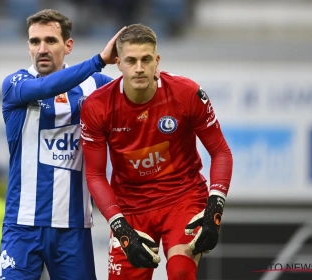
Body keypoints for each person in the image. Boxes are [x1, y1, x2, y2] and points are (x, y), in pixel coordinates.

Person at [80, 23, 233, 280]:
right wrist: (121, 229)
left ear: (157, 61)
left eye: (146, 59)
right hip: (130, 209)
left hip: (182, 198)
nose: (139, 68)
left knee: (181, 272)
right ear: (118, 63)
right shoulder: (97, 106)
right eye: (131, 60)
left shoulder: (187, 93)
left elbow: (220, 152)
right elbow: (95, 175)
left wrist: (214, 209)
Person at [0, 8, 124, 280]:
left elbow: (135, 96)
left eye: (51, 41)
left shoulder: (96, 85)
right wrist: (99, 60)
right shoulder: (16, 83)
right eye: (35, 41)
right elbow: (45, 88)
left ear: (68, 45)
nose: (42, 49)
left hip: (73, 228)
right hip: (22, 226)